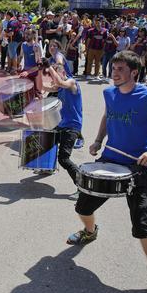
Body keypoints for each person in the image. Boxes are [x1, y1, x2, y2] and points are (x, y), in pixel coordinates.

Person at [68, 50, 147, 293]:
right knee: (82, 206)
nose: (114, 73)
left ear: (134, 72)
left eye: (120, 69)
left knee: (142, 225)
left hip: (137, 167)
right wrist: (98, 139)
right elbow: (108, 115)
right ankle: (90, 231)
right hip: (109, 160)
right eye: (113, 68)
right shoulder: (110, 93)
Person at [44, 64, 83, 199]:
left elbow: (60, 82)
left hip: (72, 126)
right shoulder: (59, 88)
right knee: (47, 139)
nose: (54, 82)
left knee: (64, 159)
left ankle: (82, 186)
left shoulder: (72, 82)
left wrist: (50, 68)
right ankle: (47, 167)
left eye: (54, 76)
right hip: (61, 124)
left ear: (64, 72)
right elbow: (41, 87)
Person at [19, 29, 43, 98]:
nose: (26, 35)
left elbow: (39, 63)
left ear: (33, 35)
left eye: (28, 34)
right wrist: (20, 65)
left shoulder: (37, 46)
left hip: (35, 73)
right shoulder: (23, 45)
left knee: (37, 94)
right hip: (25, 70)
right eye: (25, 34)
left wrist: (36, 52)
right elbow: (21, 56)